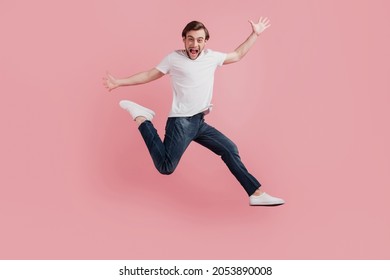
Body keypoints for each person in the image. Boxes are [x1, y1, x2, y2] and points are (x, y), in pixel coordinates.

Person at [103, 18, 284, 206]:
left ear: (205, 42)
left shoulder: (211, 57)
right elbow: (150, 74)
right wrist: (119, 82)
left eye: (199, 40)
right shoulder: (174, 58)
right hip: (181, 123)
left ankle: (255, 193)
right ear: (184, 40)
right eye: (190, 39)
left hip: (199, 123)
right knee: (166, 167)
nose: (194, 44)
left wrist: (255, 34)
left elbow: (237, 55)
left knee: (230, 149)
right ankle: (142, 118)